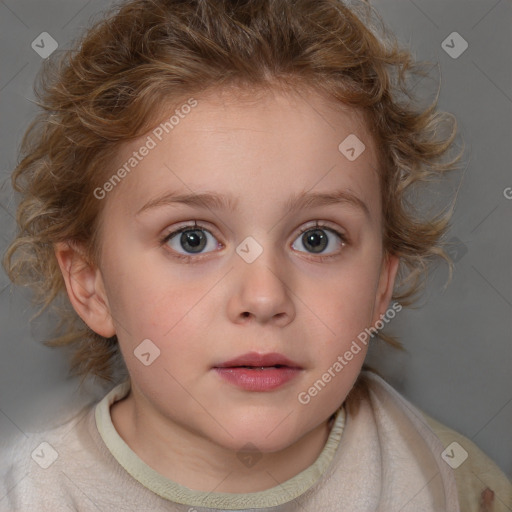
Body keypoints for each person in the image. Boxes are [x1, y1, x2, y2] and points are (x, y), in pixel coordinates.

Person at [1, 0, 510, 510]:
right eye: (192, 239)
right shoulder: (29, 494)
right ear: (91, 284)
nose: (264, 297)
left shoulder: (449, 485)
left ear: (381, 285)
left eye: (317, 238)